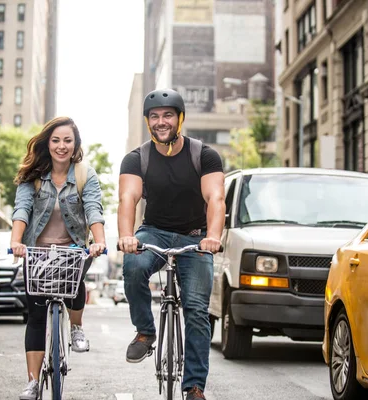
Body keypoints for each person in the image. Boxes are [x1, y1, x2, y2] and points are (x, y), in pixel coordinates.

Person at [118, 88, 225, 400]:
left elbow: (215, 198)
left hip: (196, 237)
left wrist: (213, 236)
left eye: (167, 115)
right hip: (154, 231)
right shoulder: (137, 158)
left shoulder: (204, 155)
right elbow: (127, 198)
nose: (161, 121)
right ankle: (146, 331)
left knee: (195, 310)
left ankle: (194, 386)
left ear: (180, 119)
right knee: (134, 265)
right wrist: (127, 235)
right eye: (154, 116)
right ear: (147, 121)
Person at [10, 116, 106, 400]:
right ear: (47, 143)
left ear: (75, 144)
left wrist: (99, 241)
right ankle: (32, 382)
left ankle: (76, 326)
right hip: (37, 251)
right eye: (55, 140)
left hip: (72, 249)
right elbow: (22, 209)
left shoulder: (84, 175)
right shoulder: (33, 175)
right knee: (36, 315)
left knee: (75, 284)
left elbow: (93, 209)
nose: (61, 146)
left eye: (67, 140)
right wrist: (16, 241)